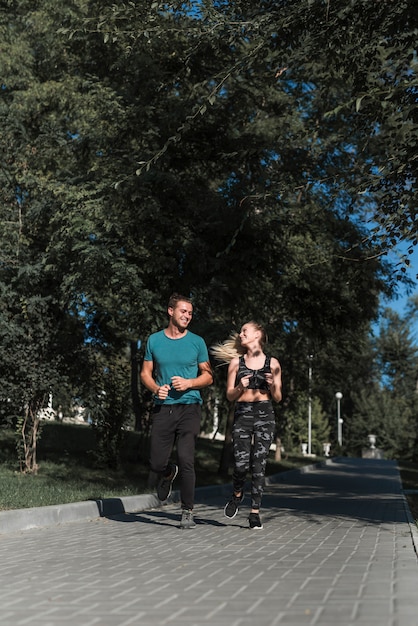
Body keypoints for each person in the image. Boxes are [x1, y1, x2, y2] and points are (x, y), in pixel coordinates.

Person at [140, 293, 213, 529]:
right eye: (183, 311)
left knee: (186, 458)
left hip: (190, 406)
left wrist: (189, 383)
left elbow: (208, 375)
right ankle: (168, 472)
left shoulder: (197, 342)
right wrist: (155, 388)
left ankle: (187, 511)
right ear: (170, 311)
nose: (187, 316)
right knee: (156, 462)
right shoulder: (154, 341)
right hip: (164, 407)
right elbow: (145, 373)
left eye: (190, 313)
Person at [211, 322, 282, 529]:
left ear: (257, 334)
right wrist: (240, 387)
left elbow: (278, 397)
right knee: (241, 465)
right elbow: (229, 396)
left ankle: (254, 513)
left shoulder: (273, 363)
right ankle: (237, 494)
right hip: (243, 414)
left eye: (245, 331)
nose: (241, 334)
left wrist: (271, 385)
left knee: (258, 465)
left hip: (264, 413)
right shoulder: (236, 363)